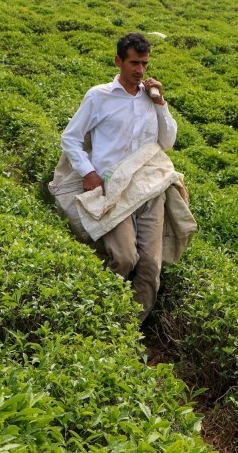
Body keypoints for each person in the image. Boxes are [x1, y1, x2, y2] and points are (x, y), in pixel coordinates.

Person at [56, 32, 189, 324]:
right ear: (118, 61)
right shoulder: (99, 96)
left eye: (144, 63)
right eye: (133, 63)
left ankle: (129, 329)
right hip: (113, 189)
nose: (140, 70)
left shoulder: (150, 98)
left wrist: (161, 104)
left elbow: (166, 142)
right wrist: (88, 173)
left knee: (150, 267)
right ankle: (100, 317)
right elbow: (71, 138)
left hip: (148, 188)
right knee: (125, 258)